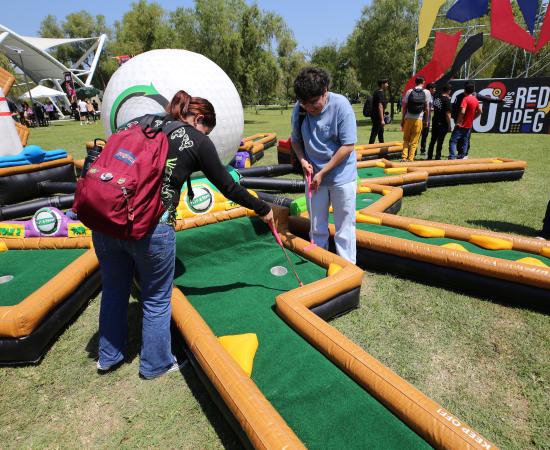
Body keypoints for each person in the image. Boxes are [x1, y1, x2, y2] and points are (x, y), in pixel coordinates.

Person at [92, 90, 274, 379]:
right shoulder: (196, 140)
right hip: (150, 225)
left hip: (104, 219)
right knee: (155, 297)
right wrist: (261, 207)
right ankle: (156, 364)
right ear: (199, 118)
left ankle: (108, 356)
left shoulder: (139, 123)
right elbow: (228, 186)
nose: (206, 135)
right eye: (206, 129)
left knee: (114, 288)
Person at [290, 67, 357, 263]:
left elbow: (348, 146)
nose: (309, 108)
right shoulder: (300, 109)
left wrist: (324, 171)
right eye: (304, 103)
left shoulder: (341, 106)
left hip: (341, 177)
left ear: (325, 90)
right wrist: (303, 160)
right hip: (313, 179)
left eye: (313, 103)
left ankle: (347, 268)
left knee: (344, 227)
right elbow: (295, 140)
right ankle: (320, 262)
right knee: (317, 226)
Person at [448, 81, 482, 160]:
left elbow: (462, 111)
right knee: (465, 141)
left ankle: (452, 157)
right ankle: (462, 156)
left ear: (464, 90)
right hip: (469, 125)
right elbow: (480, 111)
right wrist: (473, 118)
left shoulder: (465, 99)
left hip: (461, 125)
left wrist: (458, 122)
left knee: (453, 141)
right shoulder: (475, 99)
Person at [401, 76, 431, 161]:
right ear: (423, 82)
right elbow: (427, 108)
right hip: (419, 119)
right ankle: (410, 158)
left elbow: (405, 107)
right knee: (414, 140)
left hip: (408, 119)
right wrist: (427, 120)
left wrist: (403, 119)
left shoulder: (409, 91)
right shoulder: (426, 92)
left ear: (415, 82)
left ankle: (404, 157)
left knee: (406, 139)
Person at [427, 83, 452, 160]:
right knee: (440, 141)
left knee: (433, 140)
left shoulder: (437, 98)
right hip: (442, 123)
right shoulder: (447, 100)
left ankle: (429, 156)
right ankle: (438, 156)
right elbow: (448, 114)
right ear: (449, 91)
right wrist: (449, 125)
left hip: (435, 121)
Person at [369, 78, 389, 144]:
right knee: (374, 134)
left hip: (378, 117)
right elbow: (380, 106)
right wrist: (382, 119)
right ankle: (369, 150)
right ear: (382, 84)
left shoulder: (379, 92)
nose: (387, 85)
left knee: (380, 134)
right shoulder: (379, 93)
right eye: (386, 83)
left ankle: (382, 152)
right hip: (377, 118)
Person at [419, 82, 436, 156]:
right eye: (434, 89)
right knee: (419, 135)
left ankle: (422, 149)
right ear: (430, 89)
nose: (435, 90)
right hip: (423, 118)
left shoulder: (431, 96)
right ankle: (415, 150)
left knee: (424, 135)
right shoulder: (426, 95)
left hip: (427, 118)